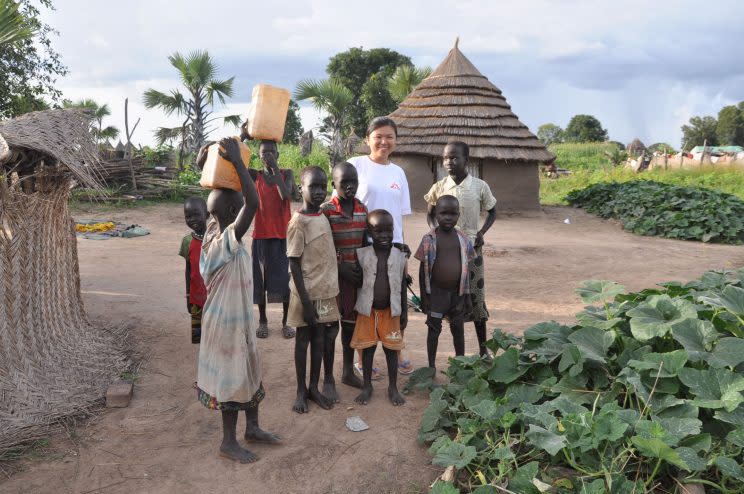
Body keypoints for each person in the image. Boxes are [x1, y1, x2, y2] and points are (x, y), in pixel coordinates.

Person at [196, 137, 280, 464]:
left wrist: (236, 149)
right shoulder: (222, 241)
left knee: (250, 370)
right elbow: (255, 203)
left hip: (238, 321)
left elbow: (226, 193)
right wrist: (241, 165)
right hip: (225, 328)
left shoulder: (218, 231)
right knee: (232, 379)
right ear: (234, 212)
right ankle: (228, 442)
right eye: (239, 207)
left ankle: (253, 428)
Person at [197, 122, 296, 339]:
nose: (267, 155)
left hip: (281, 237)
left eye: (271, 152)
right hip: (261, 236)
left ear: (278, 154)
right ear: (259, 156)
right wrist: (243, 136)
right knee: (261, 282)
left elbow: (287, 196)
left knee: (284, 282)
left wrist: (275, 171)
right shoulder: (254, 176)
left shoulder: (287, 174)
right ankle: (262, 321)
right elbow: (235, 166)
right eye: (263, 153)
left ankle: (286, 322)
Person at [345, 116, 414, 375]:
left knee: (395, 301)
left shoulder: (399, 172)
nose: (384, 141)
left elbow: (399, 217)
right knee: (367, 303)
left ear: (395, 140)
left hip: (394, 247)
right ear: (367, 140)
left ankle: (397, 350)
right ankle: (363, 357)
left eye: (389, 137)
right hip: (365, 246)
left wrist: (403, 254)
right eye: (378, 136)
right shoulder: (356, 165)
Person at [424, 141, 497, 357]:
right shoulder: (439, 187)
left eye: (454, 157)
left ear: (467, 160)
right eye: (445, 158)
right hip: (446, 253)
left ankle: (483, 351)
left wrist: (482, 232)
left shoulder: (480, 186)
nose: (449, 162)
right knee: (450, 297)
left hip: (472, 252)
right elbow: (430, 212)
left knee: (476, 299)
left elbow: (493, 211)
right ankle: (456, 354)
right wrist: (435, 232)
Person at [287, 166, 339, 413]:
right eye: (313, 187)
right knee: (303, 340)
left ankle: (313, 387)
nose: (319, 192)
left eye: (323, 186)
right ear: (301, 189)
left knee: (319, 339)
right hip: (305, 294)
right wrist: (306, 302)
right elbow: (294, 264)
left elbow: (326, 207)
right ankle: (300, 390)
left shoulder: (323, 215)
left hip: (325, 292)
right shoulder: (298, 222)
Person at [350, 210, 408, 406]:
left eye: (388, 231)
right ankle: (367, 386)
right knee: (368, 350)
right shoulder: (362, 254)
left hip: (391, 312)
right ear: (369, 232)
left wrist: (404, 314)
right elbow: (355, 283)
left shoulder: (400, 256)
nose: (384, 236)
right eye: (378, 231)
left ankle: (393, 387)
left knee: (392, 351)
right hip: (367, 311)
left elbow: (401, 286)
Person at [320, 162, 367, 397]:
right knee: (330, 330)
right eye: (344, 182)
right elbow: (320, 249)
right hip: (331, 279)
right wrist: (340, 268)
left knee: (349, 327)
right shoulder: (326, 211)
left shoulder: (362, 209)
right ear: (333, 184)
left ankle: (348, 371)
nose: (350, 186)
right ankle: (328, 377)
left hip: (354, 281)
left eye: (354, 182)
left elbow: (365, 244)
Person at [415, 195, 475, 371]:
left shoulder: (463, 239)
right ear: (436, 214)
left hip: (457, 293)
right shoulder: (429, 239)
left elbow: (468, 268)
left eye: (453, 214)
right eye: (443, 213)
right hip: (436, 294)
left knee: (458, 328)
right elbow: (422, 269)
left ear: (459, 215)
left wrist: (468, 297)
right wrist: (424, 297)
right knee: (434, 329)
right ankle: (431, 366)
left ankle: (460, 363)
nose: (448, 217)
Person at [178, 197, 208, 344]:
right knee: (198, 336)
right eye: (188, 216)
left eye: (197, 214)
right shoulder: (187, 241)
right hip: (196, 296)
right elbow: (188, 270)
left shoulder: (216, 239)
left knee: (215, 331)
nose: (192, 219)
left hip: (215, 296)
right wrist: (188, 295)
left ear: (207, 214)